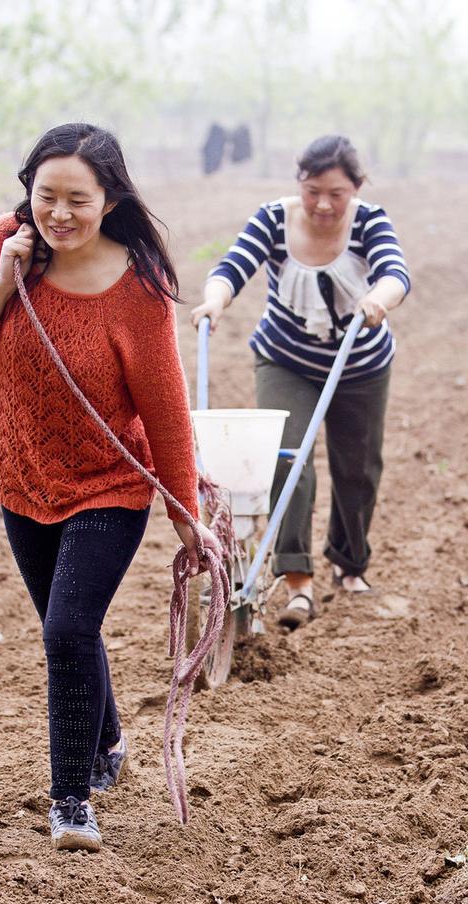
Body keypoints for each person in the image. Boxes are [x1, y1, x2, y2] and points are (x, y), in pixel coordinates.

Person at [0, 122, 217, 852]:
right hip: (22, 477)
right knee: (72, 630)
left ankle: (72, 801)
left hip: (109, 483)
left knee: (66, 629)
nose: (59, 214)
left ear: (111, 199)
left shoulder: (139, 291)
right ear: (28, 195)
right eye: (45, 197)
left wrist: (185, 510)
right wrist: (2, 282)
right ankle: (107, 740)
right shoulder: (9, 243)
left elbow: (163, 407)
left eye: (77, 201)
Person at [191, 134, 410, 629]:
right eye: (313, 191)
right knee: (289, 458)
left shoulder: (370, 222)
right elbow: (233, 266)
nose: (324, 204)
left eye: (336, 193)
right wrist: (215, 300)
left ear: (356, 187)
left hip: (361, 363)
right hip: (285, 359)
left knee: (358, 468)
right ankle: (297, 583)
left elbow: (396, 272)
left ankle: (349, 565)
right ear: (299, 184)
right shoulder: (274, 218)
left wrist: (380, 297)